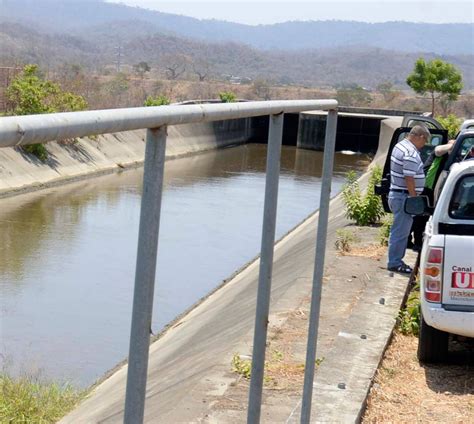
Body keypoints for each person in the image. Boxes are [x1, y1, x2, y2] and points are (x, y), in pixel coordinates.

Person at [387, 125, 429, 274]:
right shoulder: (410, 152)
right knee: (401, 232)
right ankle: (394, 263)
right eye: (425, 142)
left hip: (397, 193)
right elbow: (409, 177)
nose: (424, 146)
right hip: (404, 195)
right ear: (420, 137)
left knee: (399, 230)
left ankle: (395, 260)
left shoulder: (400, 146)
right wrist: (413, 198)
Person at [409, 139, 456, 249]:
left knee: (423, 216)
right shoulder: (438, 154)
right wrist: (453, 145)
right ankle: (415, 242)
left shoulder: (451, 159)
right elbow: (438, 150)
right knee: (420, 216)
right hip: (426, 187)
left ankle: (416, 241)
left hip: (433, 190)